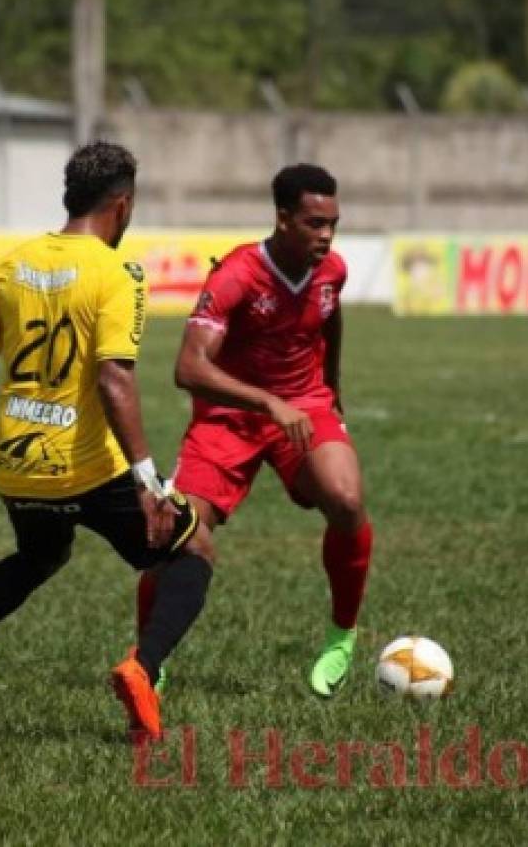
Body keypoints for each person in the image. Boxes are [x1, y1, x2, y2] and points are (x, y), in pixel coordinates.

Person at [0, 142, 213, 741]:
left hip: (19, 464)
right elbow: (113, 376)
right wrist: (152, 482)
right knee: (192, 549)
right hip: (89, 467)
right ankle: (142, 670)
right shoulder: (117, 271)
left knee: (39, 555)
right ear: (121, 205)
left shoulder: (10, 264)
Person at [136, 163, 373, 698]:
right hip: (230, 418)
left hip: (303, 406)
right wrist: (268, 402)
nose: (327, 235)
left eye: (333, 223)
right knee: (177, 533)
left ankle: (342, 635)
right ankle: (148, 661)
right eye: (315, 223)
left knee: (346, 499)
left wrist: (331, 391)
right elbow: (188, 369)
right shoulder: (236, 276)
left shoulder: (332, 269)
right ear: (283, 218)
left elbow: (330, 319)